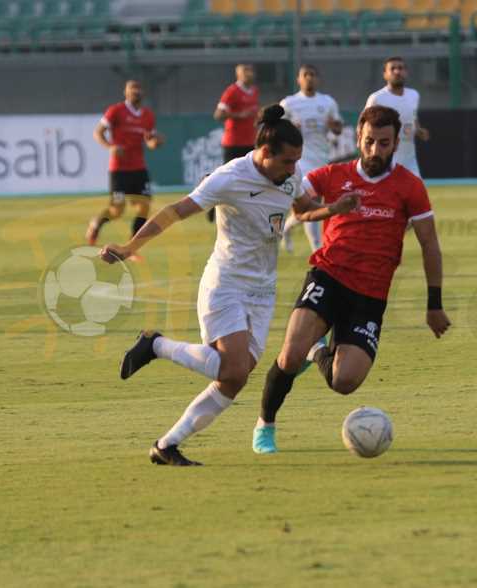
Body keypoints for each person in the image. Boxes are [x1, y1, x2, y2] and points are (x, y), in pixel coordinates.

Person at [98, 105, 359, 466]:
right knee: (233, 370)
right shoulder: (229, 178)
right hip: (227, 283)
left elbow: (303, 210)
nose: (295, 168)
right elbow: (174, 211)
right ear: (265, 153)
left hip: (262, 291)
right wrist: (129, 248)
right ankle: (155, 345)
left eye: (297, 160)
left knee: (234, 380)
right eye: (288, 161)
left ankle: (166, 445)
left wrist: (333, 209)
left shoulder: (289, 176)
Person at [251, 105, 451, 455]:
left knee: (344, 382)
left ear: (396, 141)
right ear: (358, 136)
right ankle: (265, 425)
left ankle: (319, 353)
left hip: (370, 296)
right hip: (328, 276)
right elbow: (292, 190)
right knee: (289, 355)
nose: (376, 150)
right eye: (370, 141)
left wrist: (434, 304)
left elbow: (429, 244)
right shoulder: (332, 174)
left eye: (384, 143)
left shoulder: (409, 186)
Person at [86, 79, 164, 247]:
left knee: (144, 206)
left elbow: (149, 141)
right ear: (126, 92)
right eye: (132, 88)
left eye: (138, 89)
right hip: (119, 169)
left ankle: (131, 246)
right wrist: (110, 147)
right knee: (117, 211)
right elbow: (98, 132)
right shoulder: (116, 111)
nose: (136, 91)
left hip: (139, 168)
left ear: (142, 92)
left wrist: (155, 143)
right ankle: (96, 224)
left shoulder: (148, 116)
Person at [279, 64, 343, 254]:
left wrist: (334, 125)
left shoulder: (328, 102)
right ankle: (317, 247)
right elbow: (276, 130)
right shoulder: (289, 103)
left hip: (321, 159)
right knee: (309, 201)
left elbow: (338, 129)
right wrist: (290, 129)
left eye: (312, 75)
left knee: (309, 205)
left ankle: (286, 229)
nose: (309, 78)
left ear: (318, 79)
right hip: (298, 162)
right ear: (298, 79)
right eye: (305, 75)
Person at [208, 63, 260, 223]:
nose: (248, 74)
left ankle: (247, 210)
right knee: (227, 178)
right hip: (233, 143)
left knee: (253, 177)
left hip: (250, 142)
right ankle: (212, 208)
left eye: (250, 70)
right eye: (245, 71)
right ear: (238, 75)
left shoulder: (254, 91)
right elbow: (218, 114)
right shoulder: (232, 91)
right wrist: (239, 115)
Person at [364, 56, 430, 178]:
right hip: (386, 160)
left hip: (409, 159)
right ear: (385, 74)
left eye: (401, 68)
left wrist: (419, 130)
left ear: (406, 72)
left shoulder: (413, 95)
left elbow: (413, 118)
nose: (397, 71)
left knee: (416, 195)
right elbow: (363, 126)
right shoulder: (377, 98)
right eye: (392, 68)